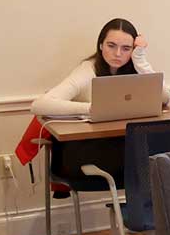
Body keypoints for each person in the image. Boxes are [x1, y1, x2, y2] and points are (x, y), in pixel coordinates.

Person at [30, 17, 160, 201]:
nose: (117, 54)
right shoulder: (88, 69)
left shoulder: (135, 67)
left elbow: (163, 98)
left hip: (124, 149)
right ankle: (140, 216)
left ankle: (145, 218)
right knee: (158, 160)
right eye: (111, 45)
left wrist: (140, 60)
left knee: (164, 149)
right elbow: (39, 105)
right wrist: (91, 108)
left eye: (126, 49)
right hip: (90, 153)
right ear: (100, 45)